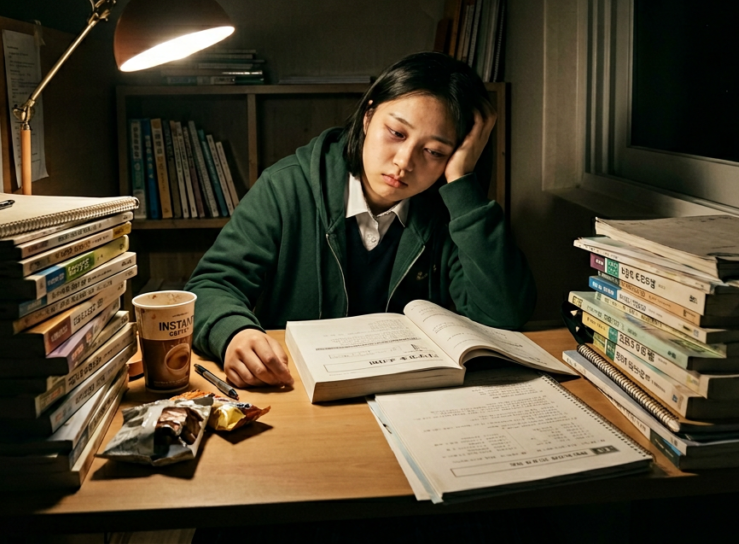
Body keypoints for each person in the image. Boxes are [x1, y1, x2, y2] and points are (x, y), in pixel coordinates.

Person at [186, 51, 536, 388]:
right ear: (368, 117)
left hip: (417, 397)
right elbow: (211, 287)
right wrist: (234, 332)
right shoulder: (287, 186)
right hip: (299, 391)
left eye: (433, 151)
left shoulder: (450, 208)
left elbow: (502, 317)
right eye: (397, 133)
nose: (404, 162)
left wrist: (461, 182)